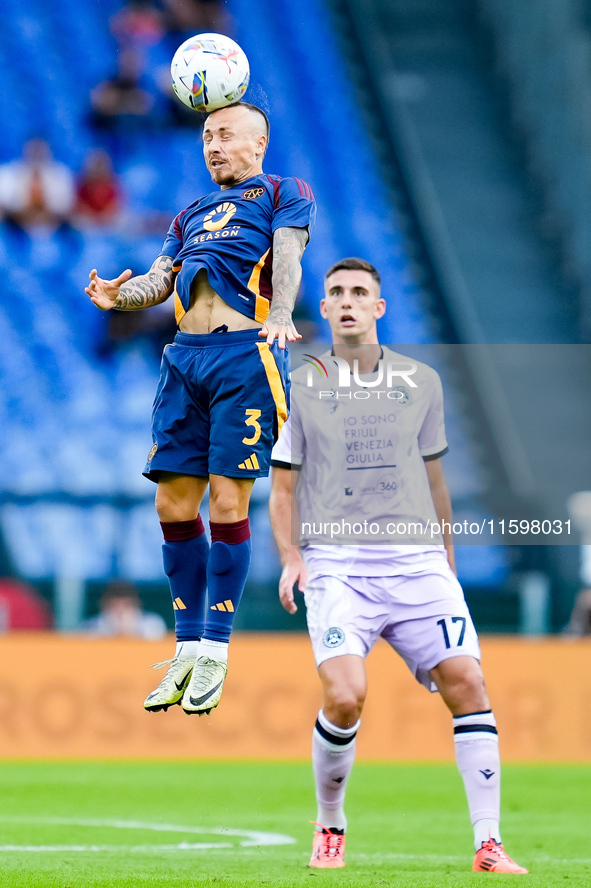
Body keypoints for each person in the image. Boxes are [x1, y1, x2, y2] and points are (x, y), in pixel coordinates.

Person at [268, 257, 527, 874]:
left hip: (417, 564)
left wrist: (448, 564)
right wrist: (289, 557)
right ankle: (330, 824)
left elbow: (435, 482)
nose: (349, 300)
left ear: (379, 308)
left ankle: (488, 843)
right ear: (324, 310)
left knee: (467, 680)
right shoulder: (300, 387)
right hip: (338, 566)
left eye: (361, 292)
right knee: (346, 696)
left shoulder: (421, 383)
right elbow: (281, 490)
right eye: (336, 293)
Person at [86, 102, 315, 717]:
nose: (212, 145)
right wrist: (118, 296)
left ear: (259, 141)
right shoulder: (189, 215)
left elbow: (288, 256)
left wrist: (285, 314)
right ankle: (186, 646)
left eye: (225, 134)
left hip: (247, 354)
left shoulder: (282, 192)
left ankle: (215, 646)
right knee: (171, 502)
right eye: (206, 136)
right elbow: (160, 280)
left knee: (226, 499)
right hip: (185, 357)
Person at [0, 138, 75, 231]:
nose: (36, 152)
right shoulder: (7, 173)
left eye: (40, 149)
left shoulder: (61, 174)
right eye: (33, 149)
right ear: (24, 150)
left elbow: (64, 206)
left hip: (53, 227)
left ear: (49, 151)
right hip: (13, 227)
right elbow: (5, 205)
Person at [84, 580, 167, 640]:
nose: (120, 608)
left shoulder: (153, 622)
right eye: (115, 604)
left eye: (126, 604)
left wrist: (129, 630)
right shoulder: (91, 626)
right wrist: (113, 630)